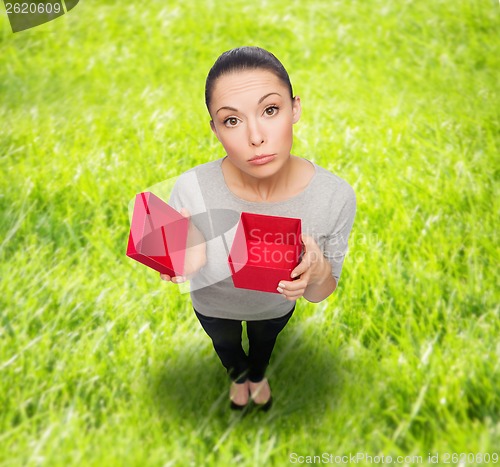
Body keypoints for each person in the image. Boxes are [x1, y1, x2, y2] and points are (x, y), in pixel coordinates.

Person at [159, 46, 356, 411]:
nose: (255, 137)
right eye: (231, 120)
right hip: (212, 305)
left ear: (294, 108)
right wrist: (178, 261)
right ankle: (238, 377)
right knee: (227, 346)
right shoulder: (191, 187)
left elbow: (321, 292)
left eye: (270, 110)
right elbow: (180, 260)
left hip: (274, 308)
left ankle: (258, 375)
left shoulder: (334, 196)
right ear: (215, 128)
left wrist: (318, 271)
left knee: (264, 345)